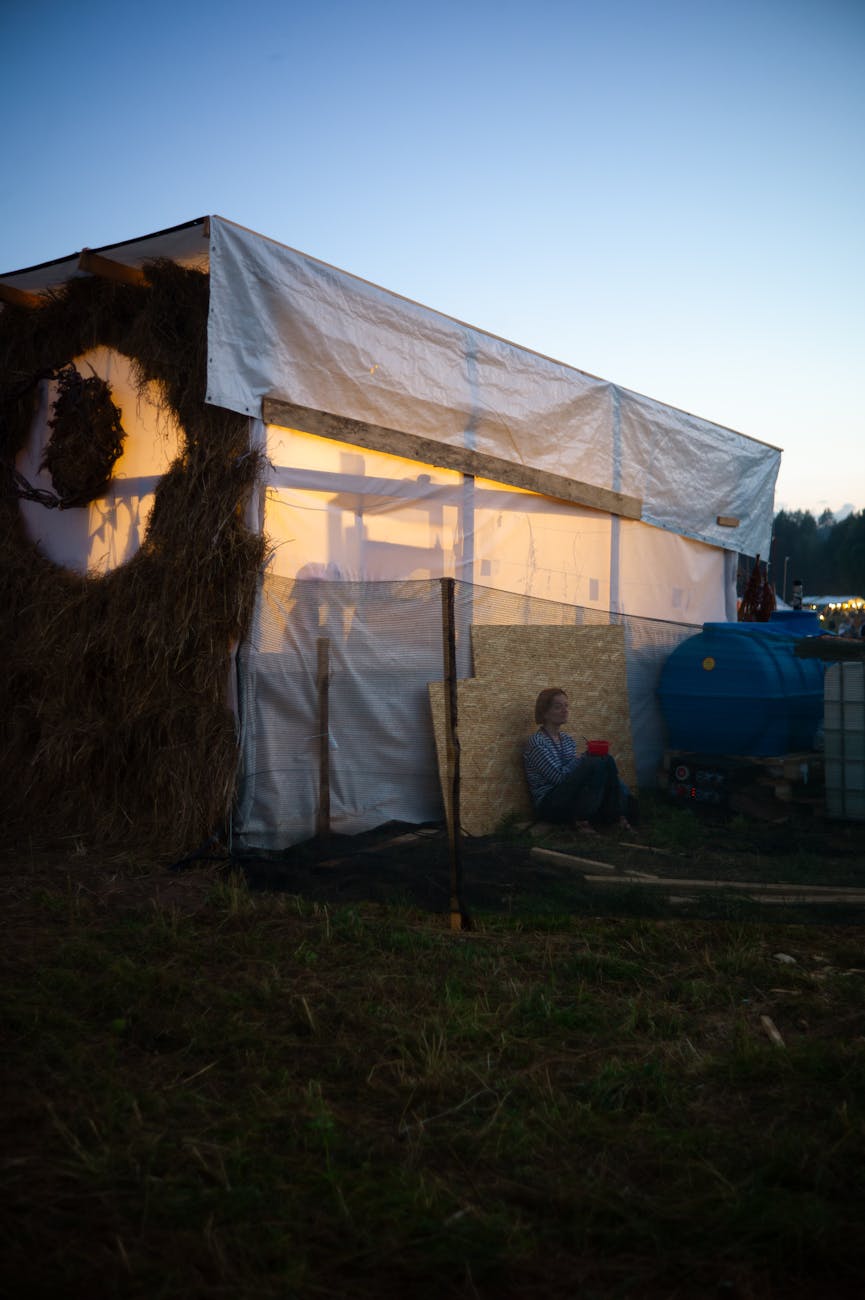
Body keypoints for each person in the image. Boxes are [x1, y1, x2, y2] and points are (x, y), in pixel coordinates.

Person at [523, 687, 637, 833]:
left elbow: (574, 774)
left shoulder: (567, 740)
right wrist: (583, 760)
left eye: (566, 706)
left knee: (605, 758)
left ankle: (616, 817)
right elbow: (558, 778)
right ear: (544, 713)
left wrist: (585, 762)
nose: (565, 710)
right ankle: (593, 818)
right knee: (594, 762)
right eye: (558, 707)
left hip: (570, 797)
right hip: (550, 804)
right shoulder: (537, 743)